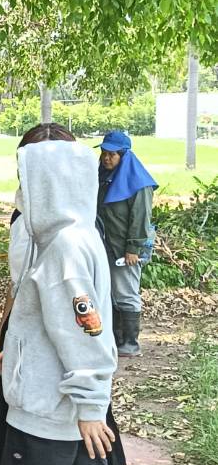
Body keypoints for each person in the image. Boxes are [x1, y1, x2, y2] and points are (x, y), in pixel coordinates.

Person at [0, 124, 143, 465]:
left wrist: (91, 393)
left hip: (70, 366)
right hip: (32, 357)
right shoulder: (34, 222)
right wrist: (8, 345)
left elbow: (81, 325)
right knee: (34, 456)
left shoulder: (71, 236)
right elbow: (21, 290)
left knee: (83, 454)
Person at [97, 131, 157, 358]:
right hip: (106, 245)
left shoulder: (139, 182)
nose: (106, 158)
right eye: (104, 153)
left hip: (126, 249)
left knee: (126, 292)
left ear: (124, 155)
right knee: (109, 292)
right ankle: (115, 339)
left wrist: (133, 248)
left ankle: (131, 344)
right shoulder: (105, 176)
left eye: (112, 154)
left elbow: (141, 218)